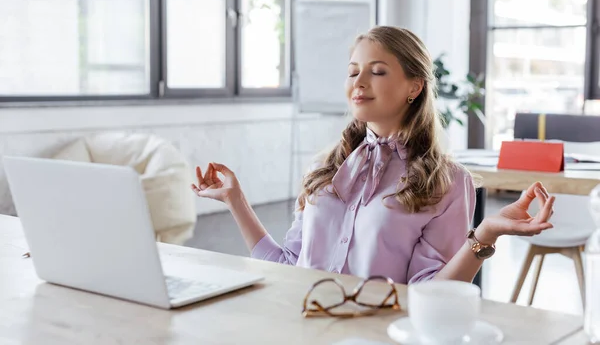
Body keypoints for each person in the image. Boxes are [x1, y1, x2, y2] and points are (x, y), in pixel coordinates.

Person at [190, 26, 555, 284]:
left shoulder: (446, 181)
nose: (359, 82)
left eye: (377, 71)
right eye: (353, 72)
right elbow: (288, 265)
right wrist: (235, 201)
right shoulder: (325, 168)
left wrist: (485, 234)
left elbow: (432, 293)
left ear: (414, 86)